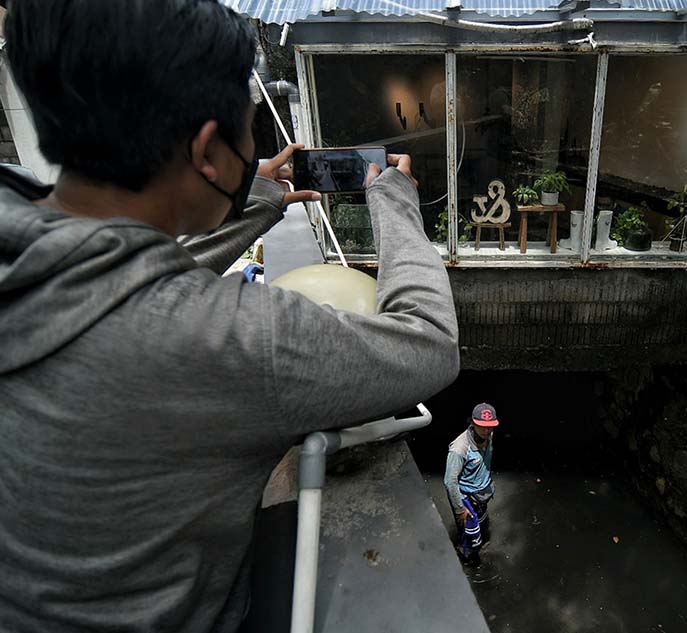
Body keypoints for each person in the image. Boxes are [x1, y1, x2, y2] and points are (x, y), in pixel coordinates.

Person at [0, 2, 459, 632]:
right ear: (207, 151)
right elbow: (429, 340)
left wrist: (250, 201)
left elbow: (115, 266)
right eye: (247, 133)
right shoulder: (234, 340)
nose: (256, 151)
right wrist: (395, 201)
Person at [444, 403, 499, 566]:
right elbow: (449, 481)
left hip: (482, 493)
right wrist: (460, 509)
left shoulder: (488, 435)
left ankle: (474, 541)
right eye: (482, 427)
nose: (487, 431)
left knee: (482, 523)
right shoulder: (459, 449)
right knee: (470, 534)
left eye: (490, 427)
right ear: (473, 423)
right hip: (467, 498)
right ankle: (466, 555)